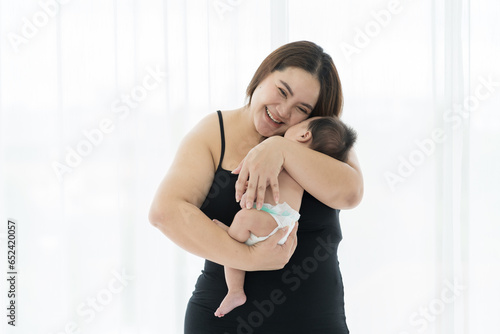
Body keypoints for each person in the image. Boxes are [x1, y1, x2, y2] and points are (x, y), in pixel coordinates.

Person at [149, 41, 363, 333]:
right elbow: (165, 213)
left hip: (316, 321)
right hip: (222, 322)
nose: (283, 111)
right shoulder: (214, 131)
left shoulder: (322, 135)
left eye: (301, 108)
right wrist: (249, 258)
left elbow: (350, 193)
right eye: (281, 91)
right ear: (262, 75)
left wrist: (281, 149)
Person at [213, 116, 357, 317]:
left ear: (304, 135)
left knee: (241, 222)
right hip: (278, 220)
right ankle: (232, 240)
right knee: (241, 227)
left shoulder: (282, 157)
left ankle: (236, 290)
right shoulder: (303, 168)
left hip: (277, 220)